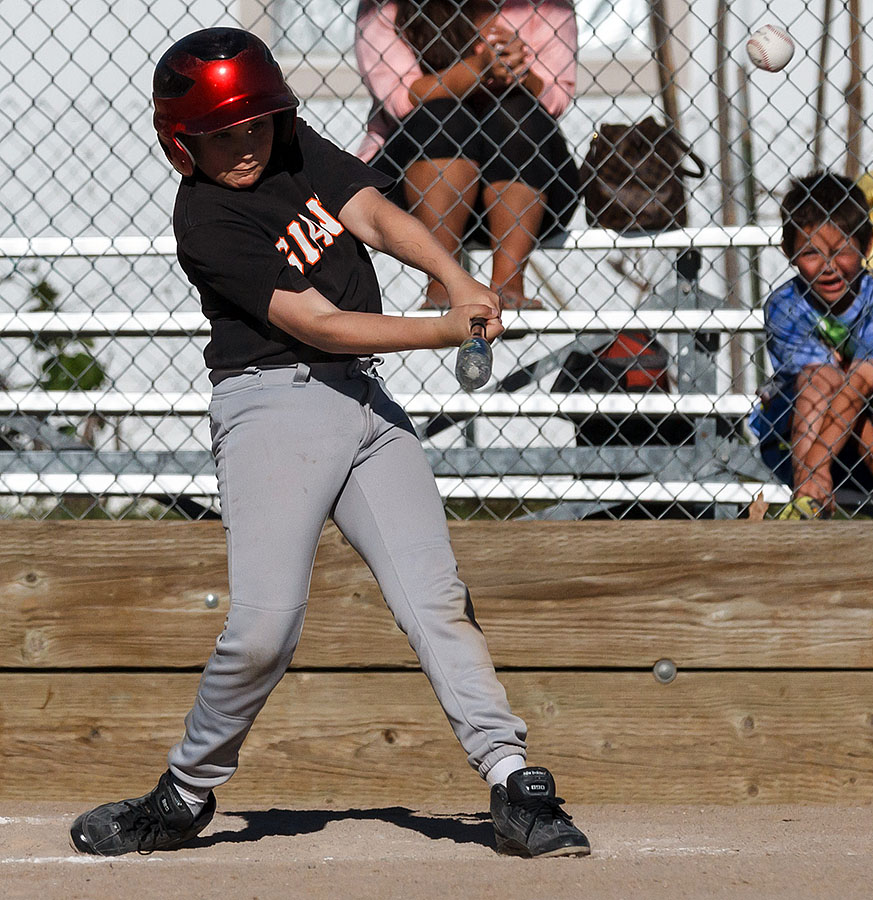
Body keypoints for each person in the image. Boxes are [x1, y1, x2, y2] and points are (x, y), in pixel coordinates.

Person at [68, 27, 589, 859]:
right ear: (180, 145)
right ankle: (185, 791)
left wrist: (458, 276)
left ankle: (512, 779)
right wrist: (441, 327)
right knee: (266, 628)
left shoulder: (290, 145)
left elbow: (373, 211)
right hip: (272, 406)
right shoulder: (206, 219)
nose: (242, 147)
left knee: (436, 601)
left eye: (254, 125)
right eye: (217, 135)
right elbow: (320, 322)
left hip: (363, 402)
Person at [355, 0, 580, 310]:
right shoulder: (384, 8)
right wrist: (479, 69)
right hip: (412, 181)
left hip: (525, 182)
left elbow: (555, 98)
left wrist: (518, 72)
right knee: (443, 116)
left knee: (517, 111)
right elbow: (400, 100)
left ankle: (508, 286)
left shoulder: (548, 7)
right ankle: (444, 283)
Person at [751, 170, 873, 519]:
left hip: (869, 419)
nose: (829, 268)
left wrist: (817, 461)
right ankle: (813, 494)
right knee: (820, 380)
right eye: (811, 253)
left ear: (866, 245)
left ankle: (813, 490)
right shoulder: (785, 305)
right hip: (803, 421)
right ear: (788, 252)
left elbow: (865, 378)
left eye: (841, 251)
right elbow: (822, 377)